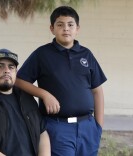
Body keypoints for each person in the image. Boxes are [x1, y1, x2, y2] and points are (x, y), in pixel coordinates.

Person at [15, 6, 107, 156]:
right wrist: (44, 94)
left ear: (77, 28)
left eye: (70, 25)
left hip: (87, 127)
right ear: (52, 29)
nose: (66, 29)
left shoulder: (86, 54)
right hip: (57, 127)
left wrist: (98, 126)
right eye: (60, 24)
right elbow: (18, 81)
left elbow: (97, 91)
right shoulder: (42, 54)